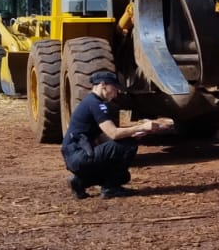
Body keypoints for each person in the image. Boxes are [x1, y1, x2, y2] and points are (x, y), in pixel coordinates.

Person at [61, 69, 172, 200]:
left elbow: (106, 136)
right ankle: (110, 188)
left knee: (124, 175)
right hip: (79, 156)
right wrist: (141, 127)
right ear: (103, 85)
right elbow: (113, 133)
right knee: (129, 145)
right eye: (114, 88)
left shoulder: (90, 102)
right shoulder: (96, 104)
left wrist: (134, 132)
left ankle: (80, 182)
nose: (115, 93)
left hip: (75, 156)